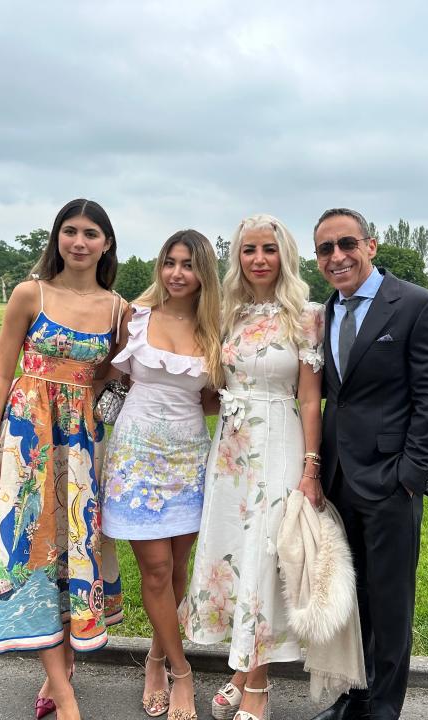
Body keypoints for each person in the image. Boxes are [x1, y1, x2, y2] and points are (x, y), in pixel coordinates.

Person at [0, 199, 125, 720]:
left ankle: (59, 670)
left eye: (90, 234)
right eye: (70, 231)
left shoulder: (117, 309)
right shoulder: (29, 293)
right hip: (27, 439)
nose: (79, 242)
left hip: (82, 443)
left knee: (72, 547)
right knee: (30, 546)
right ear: (56, 237)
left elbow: (114, 377)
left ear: (106, 243)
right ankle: (64, 695)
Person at [308, 208, 428, 720]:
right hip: (337, 478)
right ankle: (354, 695)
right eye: (325, 249)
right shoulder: (324, 313)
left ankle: (383, 708)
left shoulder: (418, 306)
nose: (336, 256)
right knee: (352, 599)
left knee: (391, 601)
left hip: (392, 480)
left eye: (346, 243)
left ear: (371, 246)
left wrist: (410, 477)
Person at [181, 214, 325, 720]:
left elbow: (310, 401)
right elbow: (211, 386)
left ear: (284, 255)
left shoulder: (307, 316)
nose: (258, 259)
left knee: (266, 552)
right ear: (237, 257)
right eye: (248, 250)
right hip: (231, 447)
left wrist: (311, 468)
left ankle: (258, 689)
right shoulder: (229, 315)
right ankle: (241, 671)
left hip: (280, 438)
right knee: (234, 548)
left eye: (268, 249)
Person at [100, 229, 223, 720]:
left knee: (176, 571)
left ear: (203, 274)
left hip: (190, 459)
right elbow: (104, 372)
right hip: (135, 459)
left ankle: (154, 658)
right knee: (155, 571)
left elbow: (212, 400)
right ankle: (181, 673)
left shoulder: (216, 329)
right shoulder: (136, 318)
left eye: (188, 265)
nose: (177, 273)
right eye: (170, 262)